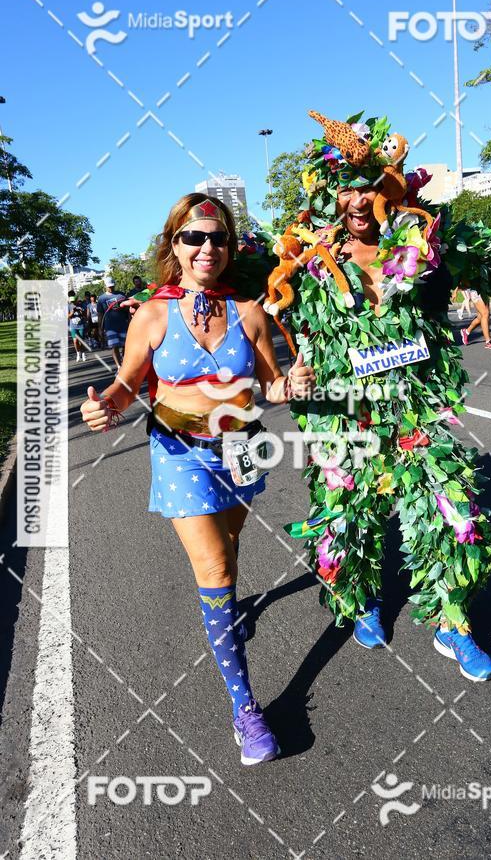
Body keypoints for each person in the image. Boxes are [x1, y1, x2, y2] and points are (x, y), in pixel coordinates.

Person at [80, 193, 315, 765]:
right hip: (180, 451)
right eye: (194, 237)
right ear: (175, 246)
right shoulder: (152, 314)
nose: (206, 247)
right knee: (214, 568)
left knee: (230, 551)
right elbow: (128, 381)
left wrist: (294, 384)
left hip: (243, 444)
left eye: (217, 238)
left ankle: (230, 613)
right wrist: (105, 405)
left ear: (230, 248)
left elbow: (270, 385)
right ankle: (246, 711)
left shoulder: (251, 313)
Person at [273, 110, 491, 682]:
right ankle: (360, 600)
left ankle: (454, 623)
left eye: (368, 188)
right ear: (330, 197)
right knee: (346, 519)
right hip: (347, 415)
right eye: (346, 189)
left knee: (456, 516)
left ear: (386, 191)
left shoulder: (420, 244)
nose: (357, 200)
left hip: (415, 413)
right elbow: (253, 301)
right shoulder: (312, 261)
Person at [97, 276, 129, 369]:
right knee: (114, 346)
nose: (111, 288)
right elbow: (100, 314)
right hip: (110, 327)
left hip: (123, 325)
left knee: (125, 346)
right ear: (105, 286)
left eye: (112, 286)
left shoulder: (121, 295)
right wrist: (100, 329)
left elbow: (128, 310)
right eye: (109, 287)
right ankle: (119, 367)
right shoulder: (102, 299)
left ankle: (124, 363)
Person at [67, 292, 87, 362]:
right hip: (73, 326)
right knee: (75, 341)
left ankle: (83, 353)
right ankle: (78, 353)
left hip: (81, 325)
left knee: (81, 341)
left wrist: (81, 311)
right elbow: (67, 316)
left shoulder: (80, 305)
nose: (73, 302)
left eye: (74, 300)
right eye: (72, 301)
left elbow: (85, 315)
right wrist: (72, 312)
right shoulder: (68, 306)